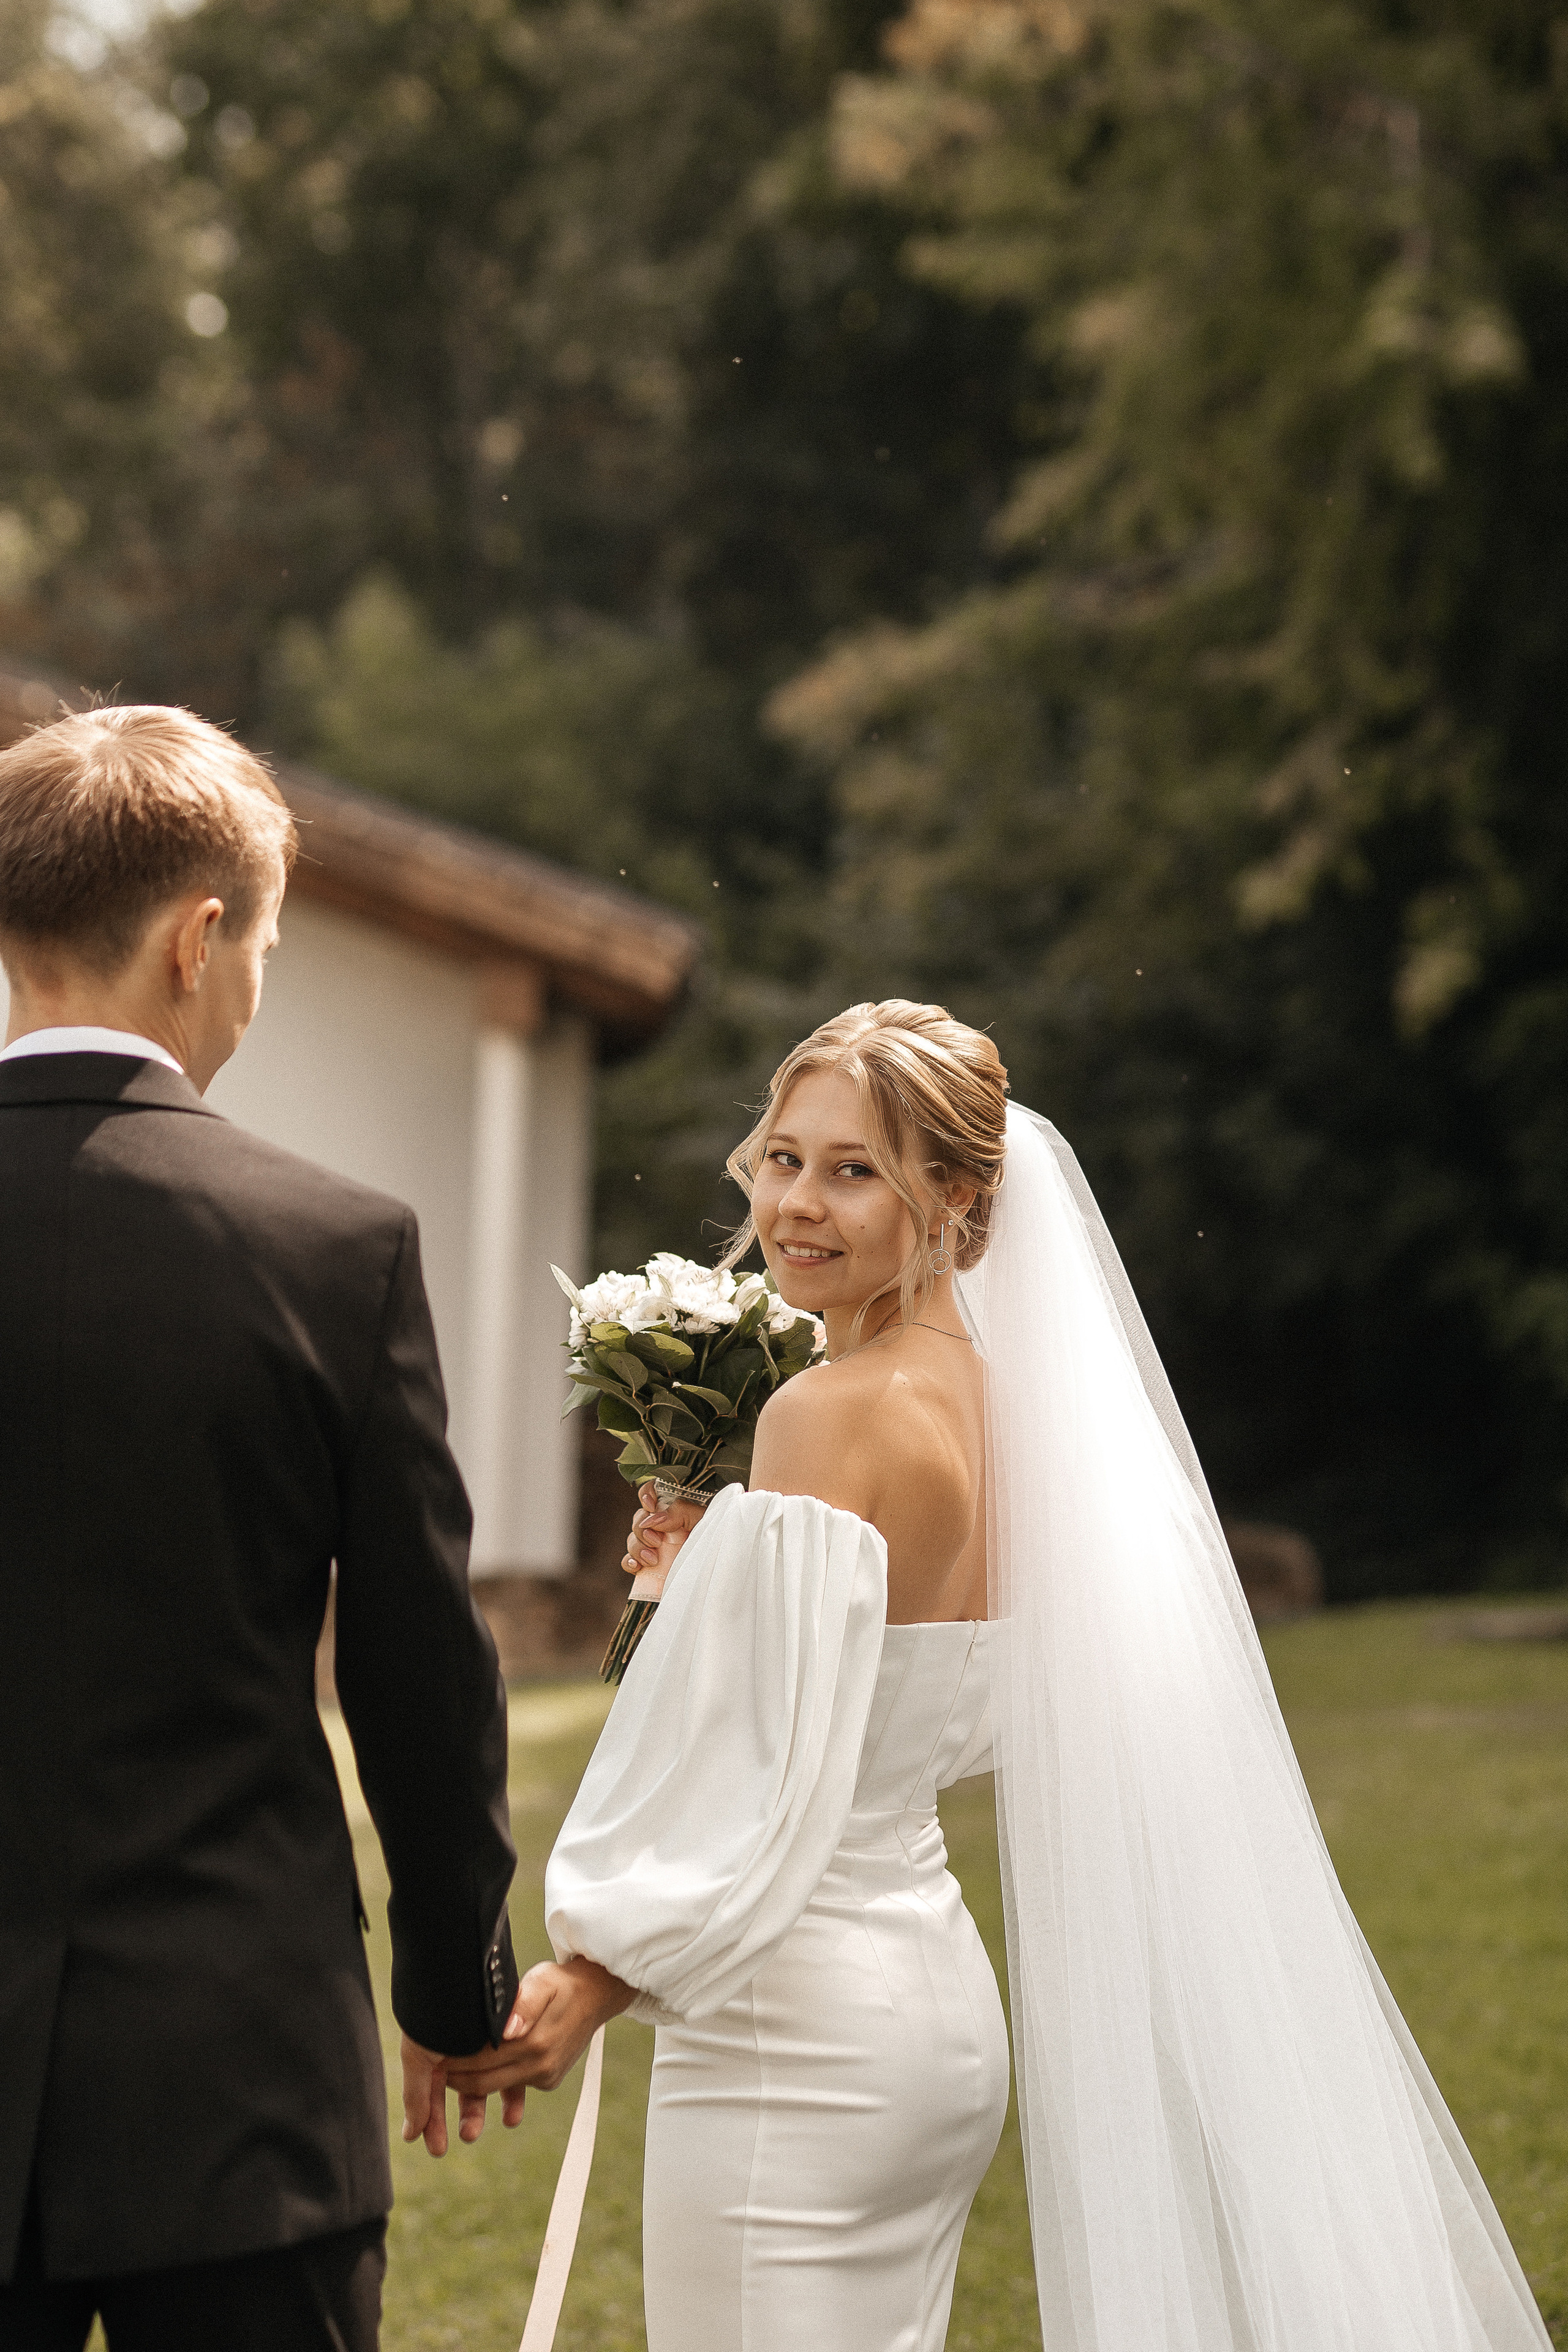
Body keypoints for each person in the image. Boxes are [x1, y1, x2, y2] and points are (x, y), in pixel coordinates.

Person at [448, 999, 1554, 2352]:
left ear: (959, 1200)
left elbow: (762, 1769)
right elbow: (938, 1705)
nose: (796, 1203)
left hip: (789, 2033)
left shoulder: (823, 1412)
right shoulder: (1014, 1412)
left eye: (854, 1170)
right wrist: (705, 1581)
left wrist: (595, 1972)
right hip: (929, 2017)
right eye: (782, 1158)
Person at [0, 705, 521, 2351]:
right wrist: (457, 1991)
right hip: (240, 2091)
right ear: (196, 935)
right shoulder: (332, 1250)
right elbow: (419, 1681)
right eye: (267, 947)